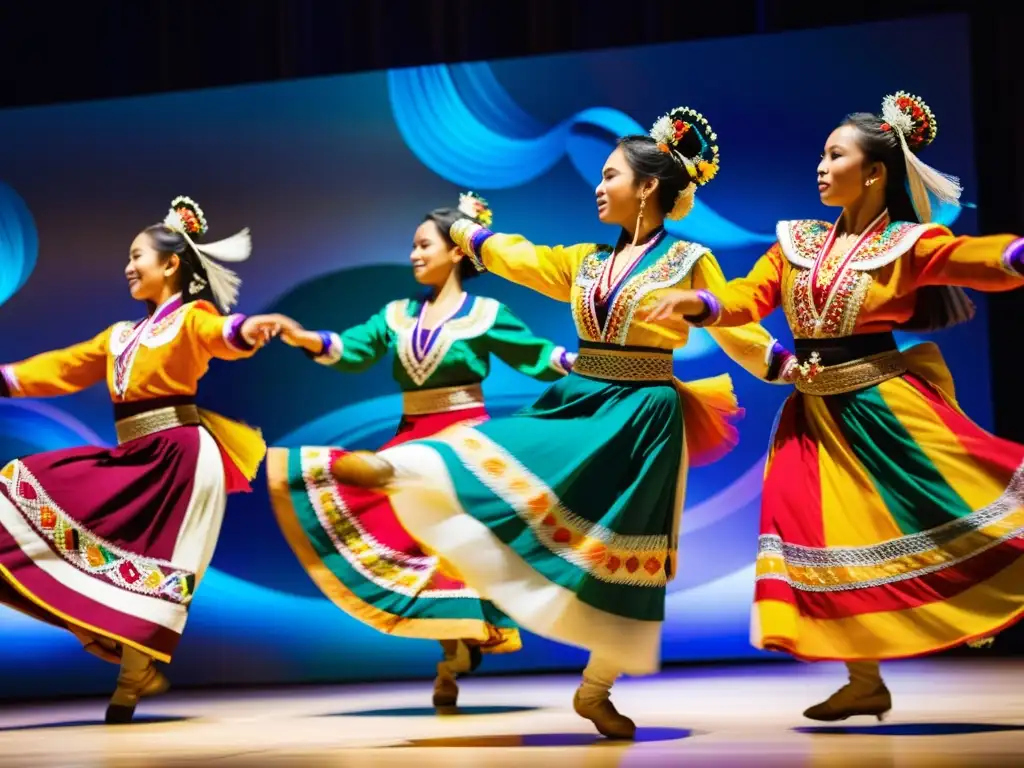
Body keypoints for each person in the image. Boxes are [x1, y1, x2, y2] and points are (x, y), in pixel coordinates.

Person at [328, 106, 794, 739]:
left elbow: (737, 329)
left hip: (645, 416)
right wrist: (469, 234)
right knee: (503, 451)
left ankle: (596, 689)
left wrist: (787, 366)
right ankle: (399, 467)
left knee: (635, 554)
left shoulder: (689, 259)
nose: (598, 187)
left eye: (609, 175)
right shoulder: (587, 261)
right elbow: (523, 258)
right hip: (581, 398)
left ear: (647, 187)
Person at [642, 91, 1024, 722]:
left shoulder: (905, 243)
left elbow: (968, 258)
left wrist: (1012, 255)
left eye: (834, 154)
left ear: (874, 172)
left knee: (959, 505)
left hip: (884, 407)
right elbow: (745, 298)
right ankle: (864, 678)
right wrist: (702, 305)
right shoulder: (800, 242)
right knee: (817, 533)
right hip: (812, 417)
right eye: (821, 155)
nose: (820, 166)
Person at [267, 192, 576, 710]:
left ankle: (459, 646)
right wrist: (306, 338)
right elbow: (352, 349)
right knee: (386, 516)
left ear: (457, 250)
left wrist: (593, 362)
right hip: (410, 437)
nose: (413, 254)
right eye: (412, 245)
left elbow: (538, 356)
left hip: (464, 443)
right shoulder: (397, 315)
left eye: (422, 244)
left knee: (457, 538)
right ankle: (451, 646)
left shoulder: (486, 314)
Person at [0, 196, 287, 723]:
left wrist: (246, 330)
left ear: (171, 263)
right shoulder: (120, 336)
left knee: (157, 566)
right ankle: (108, 643)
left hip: (179, 456)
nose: (129, 267)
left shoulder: (191, 319)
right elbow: (62, 367)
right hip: (134, 456)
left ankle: (133, 675)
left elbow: (220, 335)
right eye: (128, 258)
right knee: (17, 487)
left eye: (138, 256)